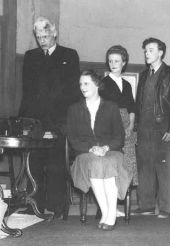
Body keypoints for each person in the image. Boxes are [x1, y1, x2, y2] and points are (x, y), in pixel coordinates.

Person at [18, 17, 80, 218]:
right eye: (38, 36)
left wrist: (65, 122)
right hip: (35, 120)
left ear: (54, 33)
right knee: (33, 162)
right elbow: (27, 90)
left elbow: (72, 92)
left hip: (59, 121)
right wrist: (24, 120)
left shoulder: (69, 55)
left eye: (45, 36)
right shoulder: (30, 56)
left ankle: (57, 206)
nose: (42, 40)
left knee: (56, 164)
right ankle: (34, 204)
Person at [67, 70, 129, 230]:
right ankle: (108, 212)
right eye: (80, 84)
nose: (82, 87)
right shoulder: (74, 109)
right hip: (85, 153)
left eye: (86, 83)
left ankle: (109, 215)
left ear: (97, 85)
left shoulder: (111, 107)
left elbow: (119, 137)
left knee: (108, 162)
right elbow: (73, 138)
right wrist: (90, 148)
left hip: (111, 151)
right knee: (96, 163)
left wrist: (106, 147)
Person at [133, 37, 170, 219]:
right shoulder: (143, 75)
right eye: (145, 50)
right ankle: (146, 205)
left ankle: (166, 208)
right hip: (144, 130)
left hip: (163, 129)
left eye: (151, 50)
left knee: (164, 169)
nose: (147, 53)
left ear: (161, 52)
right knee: (144, 168)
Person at [100, 45, 138, 188]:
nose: (113, 64)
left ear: (124, 62)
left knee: (127, 164)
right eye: (110, 61)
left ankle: (123, 201)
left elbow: (132, 107)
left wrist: (131, 125)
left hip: (127, 125)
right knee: (111, 164)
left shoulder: (127, 85)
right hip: (110, 125)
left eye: (117, 61)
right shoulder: (103, 84)